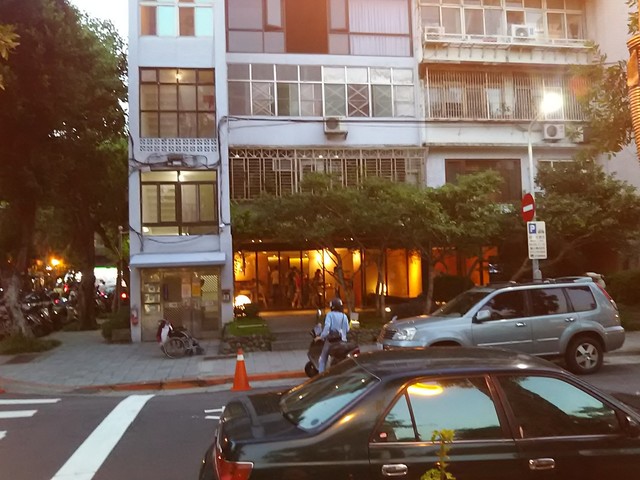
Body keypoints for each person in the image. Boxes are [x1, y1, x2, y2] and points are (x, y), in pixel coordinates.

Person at [316, 297, 349, 373]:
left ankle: (321, 375)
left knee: (323, 359)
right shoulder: (344, 316)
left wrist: (321, 336)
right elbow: (347, 329)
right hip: (342, 341)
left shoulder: (330, 315)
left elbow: (327, 327)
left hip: (331, 341)